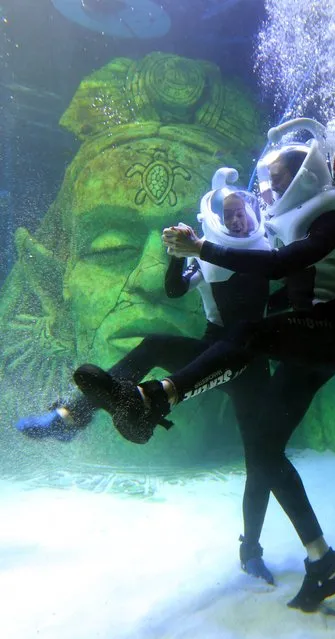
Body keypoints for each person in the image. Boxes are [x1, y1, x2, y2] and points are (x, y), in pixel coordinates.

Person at [74, 117, 335, 612]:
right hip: (306, 341)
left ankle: (153, 398)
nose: (267, 191)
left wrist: (203, 248)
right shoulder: (287, 225)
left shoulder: (332, 218)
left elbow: (280, 271)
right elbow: (276, 284)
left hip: (328, 336)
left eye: (275, 182)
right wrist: (192, 256)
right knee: (263, 449)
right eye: (267, 183)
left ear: (305, 176)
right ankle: (321, 562)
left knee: (249, 336)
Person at [16, 168, 277, 584]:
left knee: (261, 458)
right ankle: (71, 417)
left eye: (242, 211)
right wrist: (176, 255)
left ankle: (251, 549)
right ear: (216, 219)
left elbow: (263, 269)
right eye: (229, 215)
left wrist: (201, 248)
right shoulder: (205, 255)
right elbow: (175, 290)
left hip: (248, 363)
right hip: (212, 350)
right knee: (155, 343)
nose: (239, 220)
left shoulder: (263, 248)